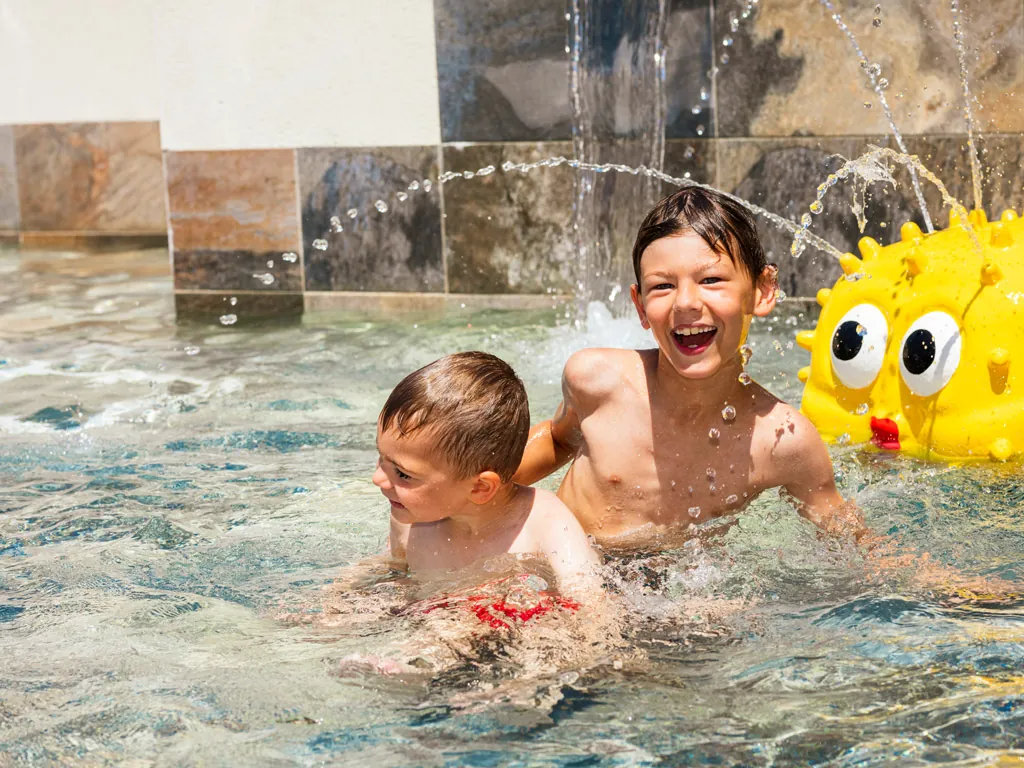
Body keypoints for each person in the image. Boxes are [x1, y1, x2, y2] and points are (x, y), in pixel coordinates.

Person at [513, 186, 867, 551]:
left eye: (710, 280)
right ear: (640, 305)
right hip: (561, 567)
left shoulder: (781, 441)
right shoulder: (598, 381)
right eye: (662, 286)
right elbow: (558, 440)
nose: (685, 302)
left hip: (675, 589)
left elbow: (836, 522)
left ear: (762, 290)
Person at [374, 351, 601, 613]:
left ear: (480, 487)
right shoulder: (408, 519)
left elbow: (592, 603)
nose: (377, 478)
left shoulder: (544, 522)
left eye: (402, 474)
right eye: (381, 459)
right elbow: (392, 576)